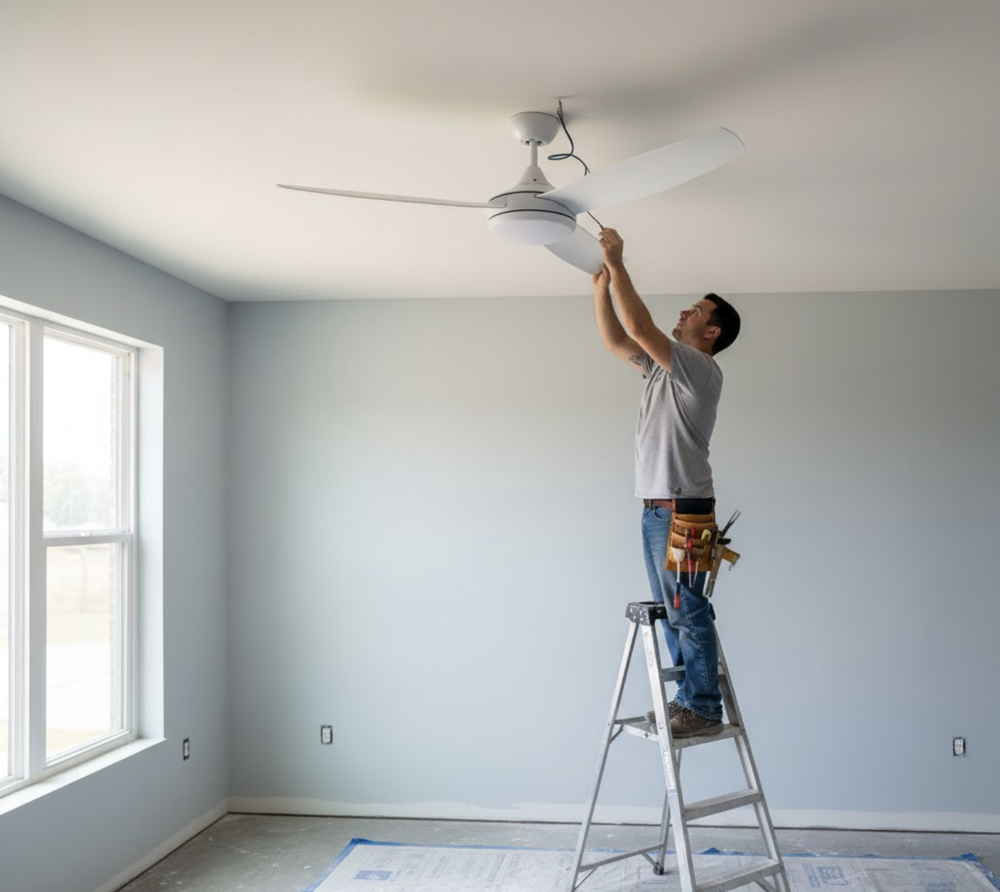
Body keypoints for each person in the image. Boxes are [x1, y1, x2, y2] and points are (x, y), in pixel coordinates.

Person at [592, 227, 741, 739]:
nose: (684, 314)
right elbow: (617, 338)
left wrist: (618, 264)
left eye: (695, 312)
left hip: (685, 508)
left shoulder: (698, 369)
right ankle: (687, 701)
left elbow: (637, 325)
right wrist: (600, 289)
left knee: (687, 608)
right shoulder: (661, 371)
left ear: (712, 332)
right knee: (674, 611)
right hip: (658, 509)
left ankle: (701, 708)